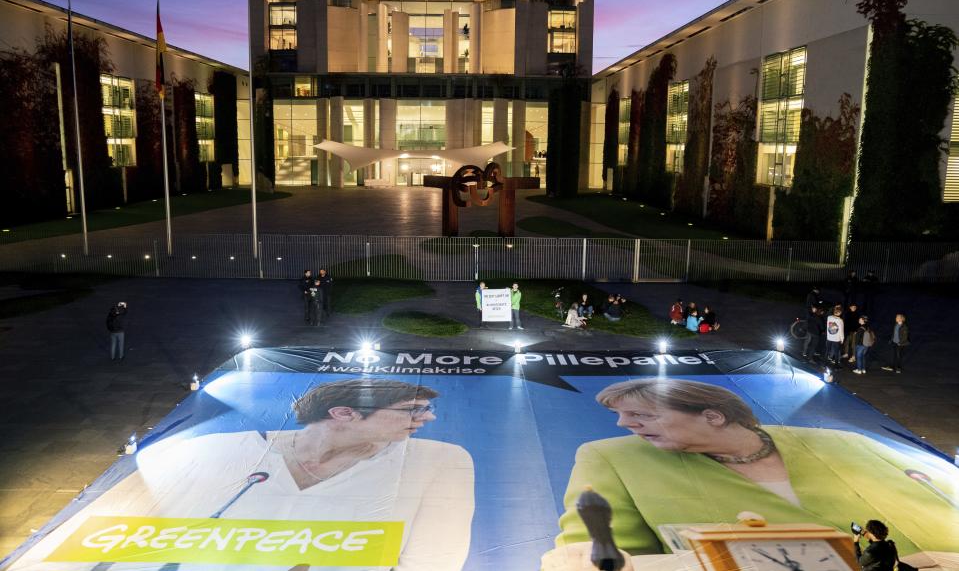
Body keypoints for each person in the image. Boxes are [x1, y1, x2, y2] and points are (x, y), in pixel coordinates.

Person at [9, 379, 476, 571]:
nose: (427, 419)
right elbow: (104, 543)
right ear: (344, 413)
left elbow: (437, 558)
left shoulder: (439, 461)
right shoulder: (212, 450)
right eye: (413, 410)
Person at [546, 379, 958, 567]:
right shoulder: (611, 458)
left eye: (639, 414)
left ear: (712, 416)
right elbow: (591, 552)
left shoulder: (845, 443)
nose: (623, 424)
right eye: (619, 414)